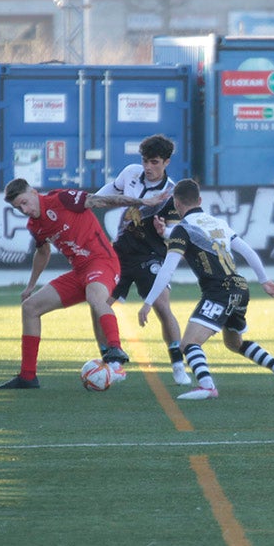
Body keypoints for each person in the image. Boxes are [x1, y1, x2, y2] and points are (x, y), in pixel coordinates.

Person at [0, 179, 168, 390]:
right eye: (18, 208)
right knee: (30, 307)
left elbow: (102, 201)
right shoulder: (35, 225)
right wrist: (30, 286)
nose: (24, 210)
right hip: (80, 272)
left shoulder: (61, 199)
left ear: (33, 192)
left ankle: (115, 350)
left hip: (103, 262)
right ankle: (27, 376)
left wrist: (141, 201)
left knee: (95, 297)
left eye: (24, 202)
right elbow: (43, 252)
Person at [137, 179, 274, 400]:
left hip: (219, 291)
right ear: (200, 200)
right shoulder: (218, 224)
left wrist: (148, 302)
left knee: (189, 343)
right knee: (234, 343)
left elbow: (168, 268)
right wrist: (264, 280)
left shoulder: (182, 230)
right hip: (240, 288)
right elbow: (247, 251)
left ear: (175, 203)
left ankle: (207, 386)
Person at [93, 134, 191, 385]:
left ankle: (178, 364)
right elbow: (102, 197)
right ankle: (111, 361)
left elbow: (176, 232)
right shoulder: (130, 173)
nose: (148, 167)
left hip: (151, 256)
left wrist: (163, 231)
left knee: (161, 306)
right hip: (121, 254)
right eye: (145, 161)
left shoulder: (172, 193)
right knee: (99, 304)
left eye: (154, 162)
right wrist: (89, 202)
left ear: (167, 162)